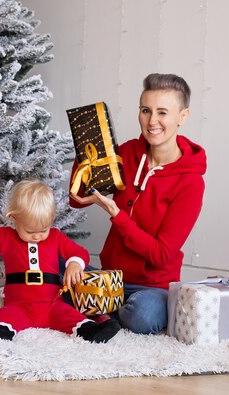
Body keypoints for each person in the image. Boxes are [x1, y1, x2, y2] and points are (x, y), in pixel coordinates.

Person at [70, 73, 207, 334]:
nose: (152, 121)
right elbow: (76, 201)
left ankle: (99, 309)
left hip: (151, 287)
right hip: (111, 276)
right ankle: (103, 305)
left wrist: (115, 213)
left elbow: (161, 254)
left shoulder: (191, 183)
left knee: (142, 316)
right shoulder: (128, 153)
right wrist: (86, 152)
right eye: (146, 110)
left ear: (183, 116)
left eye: (162, 112)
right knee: (55, 264)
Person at [0, 179, 121, 343]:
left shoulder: (56, 237)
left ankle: (90, 330)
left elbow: (79, 252)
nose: (37, 236)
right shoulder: (5, 237)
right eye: (29, 231)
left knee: (69, 315)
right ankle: (1, 332)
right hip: (19, 305)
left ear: (51, 220)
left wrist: (74, 264)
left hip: (52, 304)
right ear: (15, 219)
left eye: (43, 230)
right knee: (5, 314)